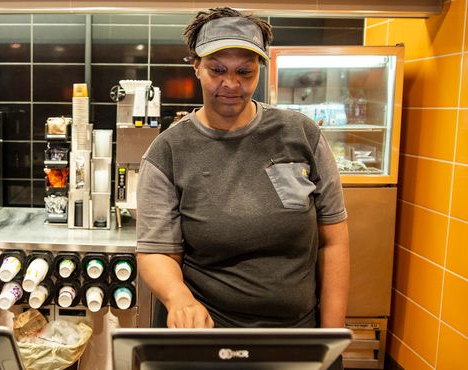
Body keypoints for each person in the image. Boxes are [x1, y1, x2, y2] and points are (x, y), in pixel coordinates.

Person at [136, 6, 349, 368]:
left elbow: (334, 240)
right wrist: (178, 299)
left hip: (294, 338)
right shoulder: (169, 151)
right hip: (206, 342)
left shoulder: (301, 135)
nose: (231, 85)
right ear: (197, 67)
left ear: (258, 71)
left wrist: (329, 341)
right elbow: (157, 249)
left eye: (244, 72)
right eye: (217, 70)